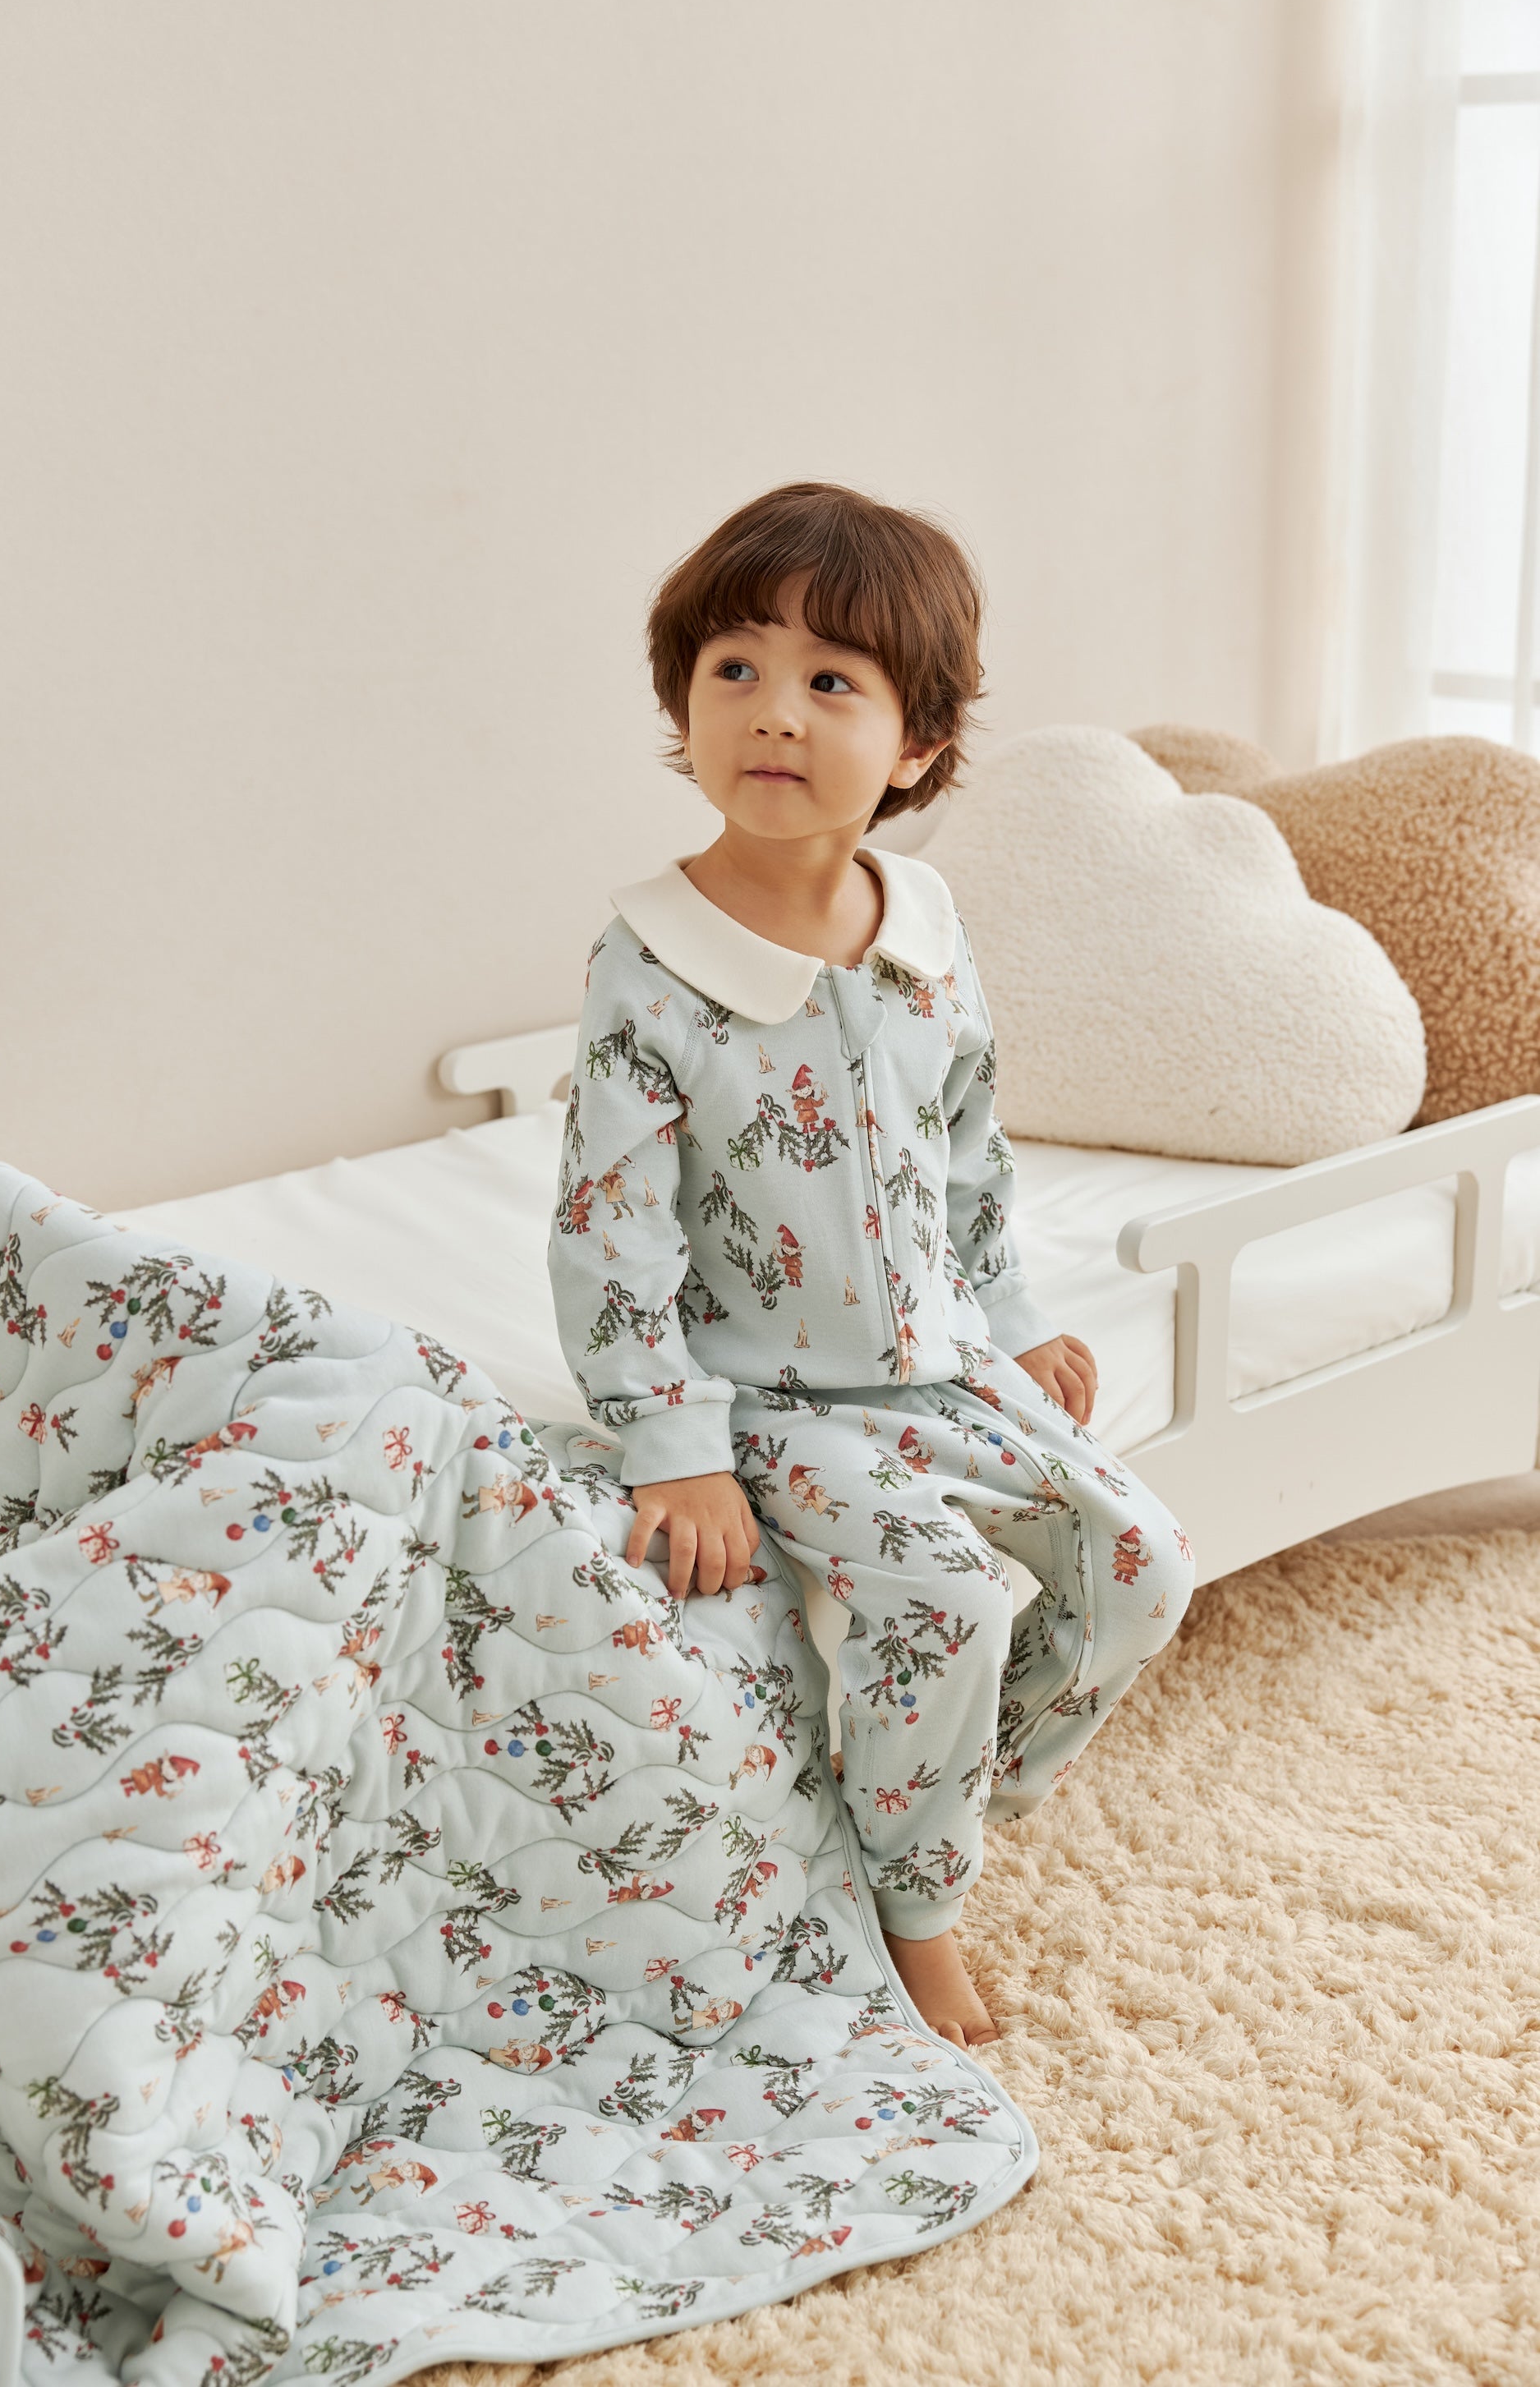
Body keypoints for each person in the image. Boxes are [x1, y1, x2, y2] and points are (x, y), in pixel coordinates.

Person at [547, 481, 1195, 2048]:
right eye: (736, 670)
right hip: (769, 1396)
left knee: (1140, 1570)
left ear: (916, 747)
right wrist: (676, 1453)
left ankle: (908, 1815)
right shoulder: (651, 962)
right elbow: (609, 1235)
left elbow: (969, 1149)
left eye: (832, 680)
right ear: (683, 707)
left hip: (943, 1361)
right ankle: (916, 1915)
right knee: (949, 1608)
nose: (776, 711)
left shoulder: (928, 926)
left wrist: (1019, 1320)